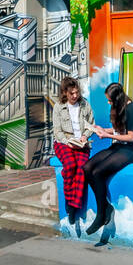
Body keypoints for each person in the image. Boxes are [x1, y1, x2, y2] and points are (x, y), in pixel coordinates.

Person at [83, 82, 133, 237]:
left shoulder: (131, 109)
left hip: (129, 150)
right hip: (117, 147)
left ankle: (102, 214)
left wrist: (108, 135)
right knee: (87, 168)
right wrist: (102, 130)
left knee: (99, 172)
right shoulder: (118, 107)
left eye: (110, 100)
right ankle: (106, 208)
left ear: (117, 98)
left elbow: (131, 136)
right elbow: (119, 130)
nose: (108, 103)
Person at [51, 76, 93, 235]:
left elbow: (91, 124)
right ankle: (69, 203)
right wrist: (67, 142)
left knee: (82, 168)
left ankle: (74, 207)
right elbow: (57, 131)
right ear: (64, 93)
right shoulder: (58, 107)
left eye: (76, 92)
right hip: (64, 142)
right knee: (70, 166)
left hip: (81, 142)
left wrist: (85, 137)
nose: (75, 96)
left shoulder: (85, 104)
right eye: (71, 93)